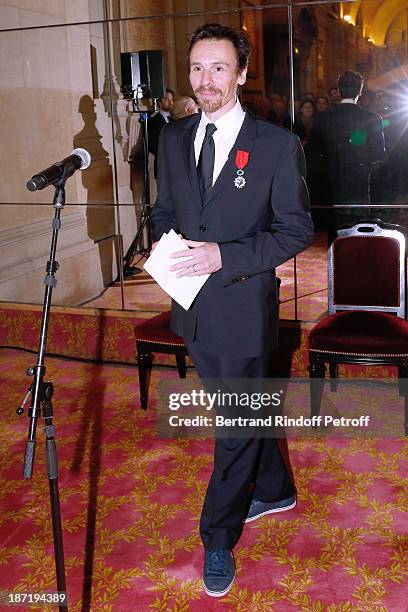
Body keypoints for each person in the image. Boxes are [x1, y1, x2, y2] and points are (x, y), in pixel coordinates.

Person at [150, 22, 314, 598]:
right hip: (190, 308)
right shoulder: (172, 137)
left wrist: (225, 256)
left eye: (219, 68)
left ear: (241, 74)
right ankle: (274, 489)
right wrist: (164, 243)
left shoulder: (274, 145)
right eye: (197, 68)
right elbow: (164, 208)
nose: (206, 80)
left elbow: (296, 231)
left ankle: (216, 537)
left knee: (236, 424)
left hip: (243, 309)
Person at [307, 70, 386, 230]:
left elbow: (313, 154)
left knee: (334, 233)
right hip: (359, 185)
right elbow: (379, 154)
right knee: (357, 231)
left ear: (339, 90)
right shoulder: (371, 118)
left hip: (329, 186)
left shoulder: (324, 117)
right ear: (360, 91)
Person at [148, 88, 175, 178]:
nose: (170, 102)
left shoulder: (176, 118)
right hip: (163, 164)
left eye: (171, 99)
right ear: (159, 103)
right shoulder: (153, 121)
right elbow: (151, 144)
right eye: (166, 99)